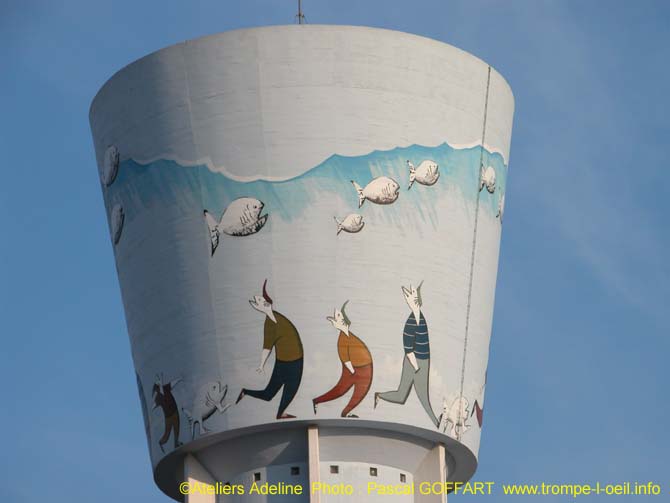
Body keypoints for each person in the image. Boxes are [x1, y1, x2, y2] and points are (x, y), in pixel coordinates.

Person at [374, 281, 442, 428]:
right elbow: (408, 350)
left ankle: (437, 423)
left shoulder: (421, 318)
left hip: (424, 361)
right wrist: (417, 368)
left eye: (416, 296)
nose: (415, 299)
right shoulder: (410, 324)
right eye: (411, 297)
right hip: (413, 363)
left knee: (421, 397)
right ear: (407, 300)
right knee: (403, 396)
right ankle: (379, 395)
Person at [236, 280, 304, 419]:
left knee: (284, 392)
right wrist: (261, 365)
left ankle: (279, 413)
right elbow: (267, 347)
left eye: (259, 300)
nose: (256, 301)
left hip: (295, 360)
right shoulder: (269, 324)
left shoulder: (278, 318)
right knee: (269, 394)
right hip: (285, 363)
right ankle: (246, 393)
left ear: (267, 303)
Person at [313, 301, 373, 418]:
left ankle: (344, 412)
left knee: (357, 393)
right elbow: (345, 358)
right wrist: (353, 372)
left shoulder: (349, 335)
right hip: (354, 370)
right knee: (341, 390)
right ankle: (317, 401)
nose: (338, 318)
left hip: (364, 368)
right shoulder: (342, 339)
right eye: (337, 317)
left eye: (339, 316)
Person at [152, 373, 183, 452]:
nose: (160, 382)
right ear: (157, 387)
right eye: (159, 383)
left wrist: (180, 378)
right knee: (167, 432)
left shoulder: (166, 388)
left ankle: (176, 443)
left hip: (175, 412)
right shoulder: (158, 397)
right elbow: (154, 405)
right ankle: (161, 442)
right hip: (168, 417)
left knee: (177, 429)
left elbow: (173, 383)